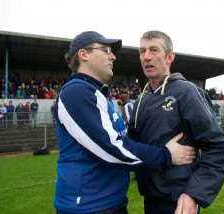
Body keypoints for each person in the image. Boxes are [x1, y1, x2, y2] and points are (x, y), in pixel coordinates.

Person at [54, 31, 196, 214]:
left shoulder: (96, 94)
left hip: (108, 203)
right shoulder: (76, 93)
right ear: (83, 55)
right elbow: (112, 148)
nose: (112, 56)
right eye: (105, 50)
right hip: (89, 207)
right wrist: (166, 155)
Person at [127, 30, 224, 214]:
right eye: (142, 51)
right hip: (151, 198)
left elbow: (218, 148)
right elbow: (131, 147)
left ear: (170, 57)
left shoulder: (186, 92)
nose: (146, 57)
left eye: (154, 50)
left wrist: (193, 194)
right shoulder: (141, 100)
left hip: (179, 201)